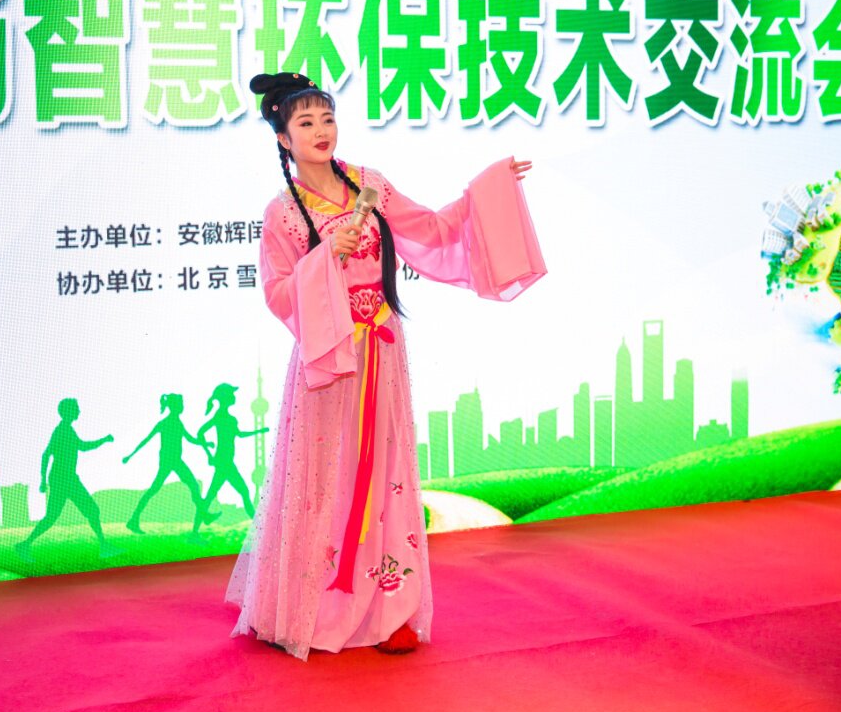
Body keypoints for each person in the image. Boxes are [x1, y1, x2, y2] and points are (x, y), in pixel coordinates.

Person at [225, 72, 546, 660]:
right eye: (305, 123)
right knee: (326, 478)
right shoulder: (283, 215)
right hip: (329, 358)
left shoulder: (368, 183)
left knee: (388, 474)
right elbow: (277, 294)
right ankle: (308, 608)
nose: (321, 130)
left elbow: (432, 229)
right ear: (283, 139)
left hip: (382, 347)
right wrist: (325, 257)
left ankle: (390, 608)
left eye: (327, 118)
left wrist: (490, 189)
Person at [15, 397, 114, 562]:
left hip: (66, 479)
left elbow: (80, 447)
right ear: (69, 411)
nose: (79, 411)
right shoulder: (62, 431)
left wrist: (44, 479)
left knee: (84, 511)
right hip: (63, 479)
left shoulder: (66, 429)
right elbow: (47, 454)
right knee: (65, 514)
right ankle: (24, 545)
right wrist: (42, 480)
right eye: (76, 408)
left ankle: (104, 546)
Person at [123, 393, 214, 535]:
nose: (183, 406)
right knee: (159, 488)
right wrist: (130, 455)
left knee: (191, 485)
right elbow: (146, 440)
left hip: (175, 461)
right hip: (169, 461)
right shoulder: (165, 423)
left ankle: (204, 514)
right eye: (181, 404)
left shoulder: (177, 423)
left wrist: (205, 443)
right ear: (175, 406)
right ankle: (133, 520)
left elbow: (190, 439)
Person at [193, 382, 268, 536]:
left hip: (227, 462)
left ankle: (260, 528)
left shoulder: (229, 418)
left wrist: (258, 431)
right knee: (242, 492)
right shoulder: (220, 416)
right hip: (223, 462)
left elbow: (239, 435)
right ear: (225, 398)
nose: (234, 397)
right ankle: (261, 528)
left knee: (218, 495)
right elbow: (200, 433)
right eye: (231, 394)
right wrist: (209, 454)